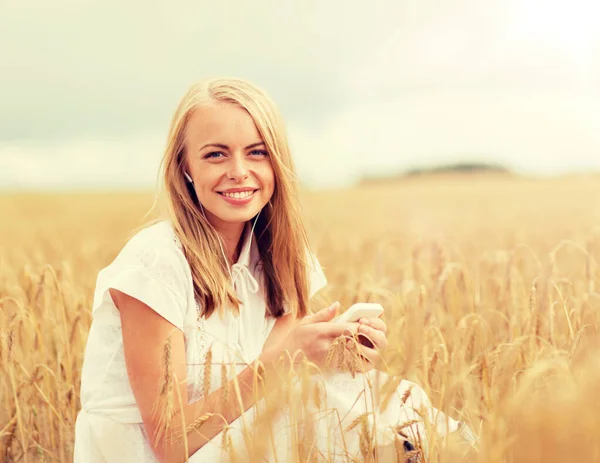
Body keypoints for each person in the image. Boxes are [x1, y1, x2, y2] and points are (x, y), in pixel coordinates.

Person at [73, 77, 476, 462]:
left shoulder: (281, 255)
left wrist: (332, 354)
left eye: (257, 151)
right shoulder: (154, 264)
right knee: (319, 411)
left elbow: (268, 382)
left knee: (353, 392)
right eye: (215, 154)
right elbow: (170, 444)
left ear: (276, 161)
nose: (238, 170)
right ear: (184, 167)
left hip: (238, 441)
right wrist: (289, 358)